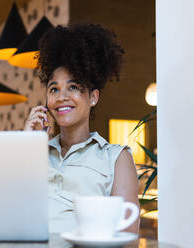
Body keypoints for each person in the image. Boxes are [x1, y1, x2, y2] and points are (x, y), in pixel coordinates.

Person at [24, 24, 140, 234]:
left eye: (74, 87)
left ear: (93, 97)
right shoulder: (35, 153)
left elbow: (127, 240)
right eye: (54, 89)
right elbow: (9, 209)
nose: (62, 97)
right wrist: (27, 145)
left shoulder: (115, 157)